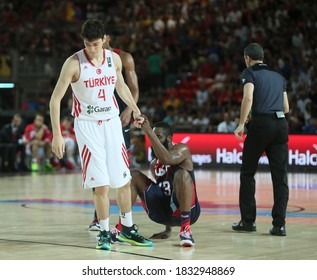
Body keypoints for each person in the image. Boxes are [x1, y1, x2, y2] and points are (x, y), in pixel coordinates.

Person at [49, 18, 152, 250]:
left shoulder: (114, 59)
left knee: (123, 180)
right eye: (87, 44)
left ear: (105, 39)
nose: (91, 49)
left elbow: (121, 86)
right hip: (88, 126)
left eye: (96, 44)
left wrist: (136, 111)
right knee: (102, 184)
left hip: (112, 123)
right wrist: (57, 133)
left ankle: (127, 229)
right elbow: (55, 99)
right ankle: (105, 232)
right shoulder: (73, 63)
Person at [111, 118, 200, 247]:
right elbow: (163, 193)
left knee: (182, 174)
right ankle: (122, 227)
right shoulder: (154, 164)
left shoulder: (182, 149)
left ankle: (185, 230)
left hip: (189, 213)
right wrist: (167, 229)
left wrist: (148, 131)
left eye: (159, 136)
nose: (155, 140)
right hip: (164, 213)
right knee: (133, 175)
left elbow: (167, 159)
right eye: (154, 136)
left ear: (169, 138)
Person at [232, 43, 290, 236]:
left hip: (261, 125)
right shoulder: (279, 77)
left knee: (248, 172)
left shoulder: (249, 73)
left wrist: (242, 123)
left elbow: (248, 98)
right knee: (280, 177)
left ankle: (248, 221)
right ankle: (279, 225)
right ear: (263, 57)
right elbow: (286, 107)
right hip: (281, 124)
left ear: (247, 58)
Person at [88, 33, 140, 231]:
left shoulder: (123, 57)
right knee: (97, 166)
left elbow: (133, 88)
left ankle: (124, 221)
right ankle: (98, 217)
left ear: (106, 37)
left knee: (119, 169)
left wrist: (128, 109)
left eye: (97, 40)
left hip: (119, 114)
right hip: (96, 117)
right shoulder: (88, 59)